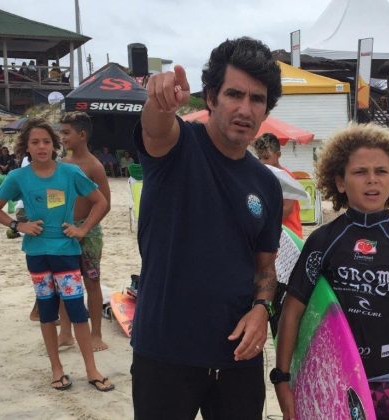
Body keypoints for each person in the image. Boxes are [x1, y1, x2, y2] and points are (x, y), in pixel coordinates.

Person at [131, 37, 283, 419]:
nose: (245, 109)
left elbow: (265, 267)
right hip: (164, 353)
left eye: (257, 99)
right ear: (211, 98)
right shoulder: (178, 147)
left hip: (238, 357)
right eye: (234, 94)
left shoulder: (266, 184)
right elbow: (155, 128)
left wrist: (262, 309)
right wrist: (159, 101)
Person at [275, 123, 389, 420]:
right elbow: (292, 310)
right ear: (339, 182)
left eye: (381, 172)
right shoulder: (323, 241)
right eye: (360, 172)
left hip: (387, 384)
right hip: (331, 383)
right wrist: (282, 378)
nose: (372, 180)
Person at [0, 118, 114, 392]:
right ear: (26, 147)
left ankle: (91, 369)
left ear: (54, 145)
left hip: (66, 251)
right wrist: (18, 226)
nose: (41, 146)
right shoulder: (18, 177)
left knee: (77, 309)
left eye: (46, 141)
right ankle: (57, 369)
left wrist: (84, 230)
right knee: (46, 311)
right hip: (37, 254)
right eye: (35, 142)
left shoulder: (69, 173)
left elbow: (100, 201)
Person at [52, 111, 111, 351]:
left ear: (82, 135)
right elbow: (58, 197)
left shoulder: (94, 166)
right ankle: (66, 332)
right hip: (65, 229)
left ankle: (95, 333)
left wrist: (85, 228)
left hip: (88, 233)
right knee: (65, 281)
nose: (62, 137)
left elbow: (105, 203)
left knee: (92, 283)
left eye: (67, 133)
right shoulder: (61, 164)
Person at [253, 132, 303, 238]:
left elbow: (287, 209)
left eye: (266, 158)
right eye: (259, 158)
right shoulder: (262, 176)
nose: (262, 162)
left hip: (289, 233)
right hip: (272, 233)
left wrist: (266, 227)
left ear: (278, 155)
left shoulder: (286, 177)